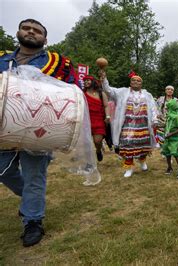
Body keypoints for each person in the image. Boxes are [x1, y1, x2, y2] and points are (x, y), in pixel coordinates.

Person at [0, 19, 78, 247]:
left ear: (45, 39)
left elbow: (73, 92)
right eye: (27, 28)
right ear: (18, 32)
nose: (31, 32)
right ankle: (30, 201)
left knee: (35, 176)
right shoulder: (3, 60)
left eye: (37, 31)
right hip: (4, 127)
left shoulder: (59, 64)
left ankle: (32, 220)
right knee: (3, 171)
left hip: (41, 128)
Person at [100, 70, 158, 178]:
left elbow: (153, 108)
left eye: (138, 81)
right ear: (130, 82)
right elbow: (108, 90)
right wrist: (104, 79)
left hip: (143, 125)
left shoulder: (147, 94)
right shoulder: (122, 92)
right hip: (127, 125)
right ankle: (129, 168)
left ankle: (142, 161)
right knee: (127, 145)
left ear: (141, 83)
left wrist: (154, 119)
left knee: (143, 144)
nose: (135, 82)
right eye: (133, 80)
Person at [83, 75, 110, 162]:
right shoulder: (82, 93)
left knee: (97, 141)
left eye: (88, 80)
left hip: (98, 120)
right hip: (85, 120)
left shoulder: (101, 93)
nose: (86, 82)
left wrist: (108, 116)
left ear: (93, 82)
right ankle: (89, 161)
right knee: (86, 143)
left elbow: (106, 106)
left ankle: (98, 150)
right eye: (85, 81)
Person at [161, 99, 178, 178]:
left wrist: (171, 134)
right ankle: (169, 167)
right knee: (167, 152)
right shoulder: (169, 116)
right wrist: (159, 125)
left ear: (172, 107)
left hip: (174, 138)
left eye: (168, 107)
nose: (166, 109)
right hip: (168, 138)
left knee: (175, 153)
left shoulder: (176, 117)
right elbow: (167, 124)